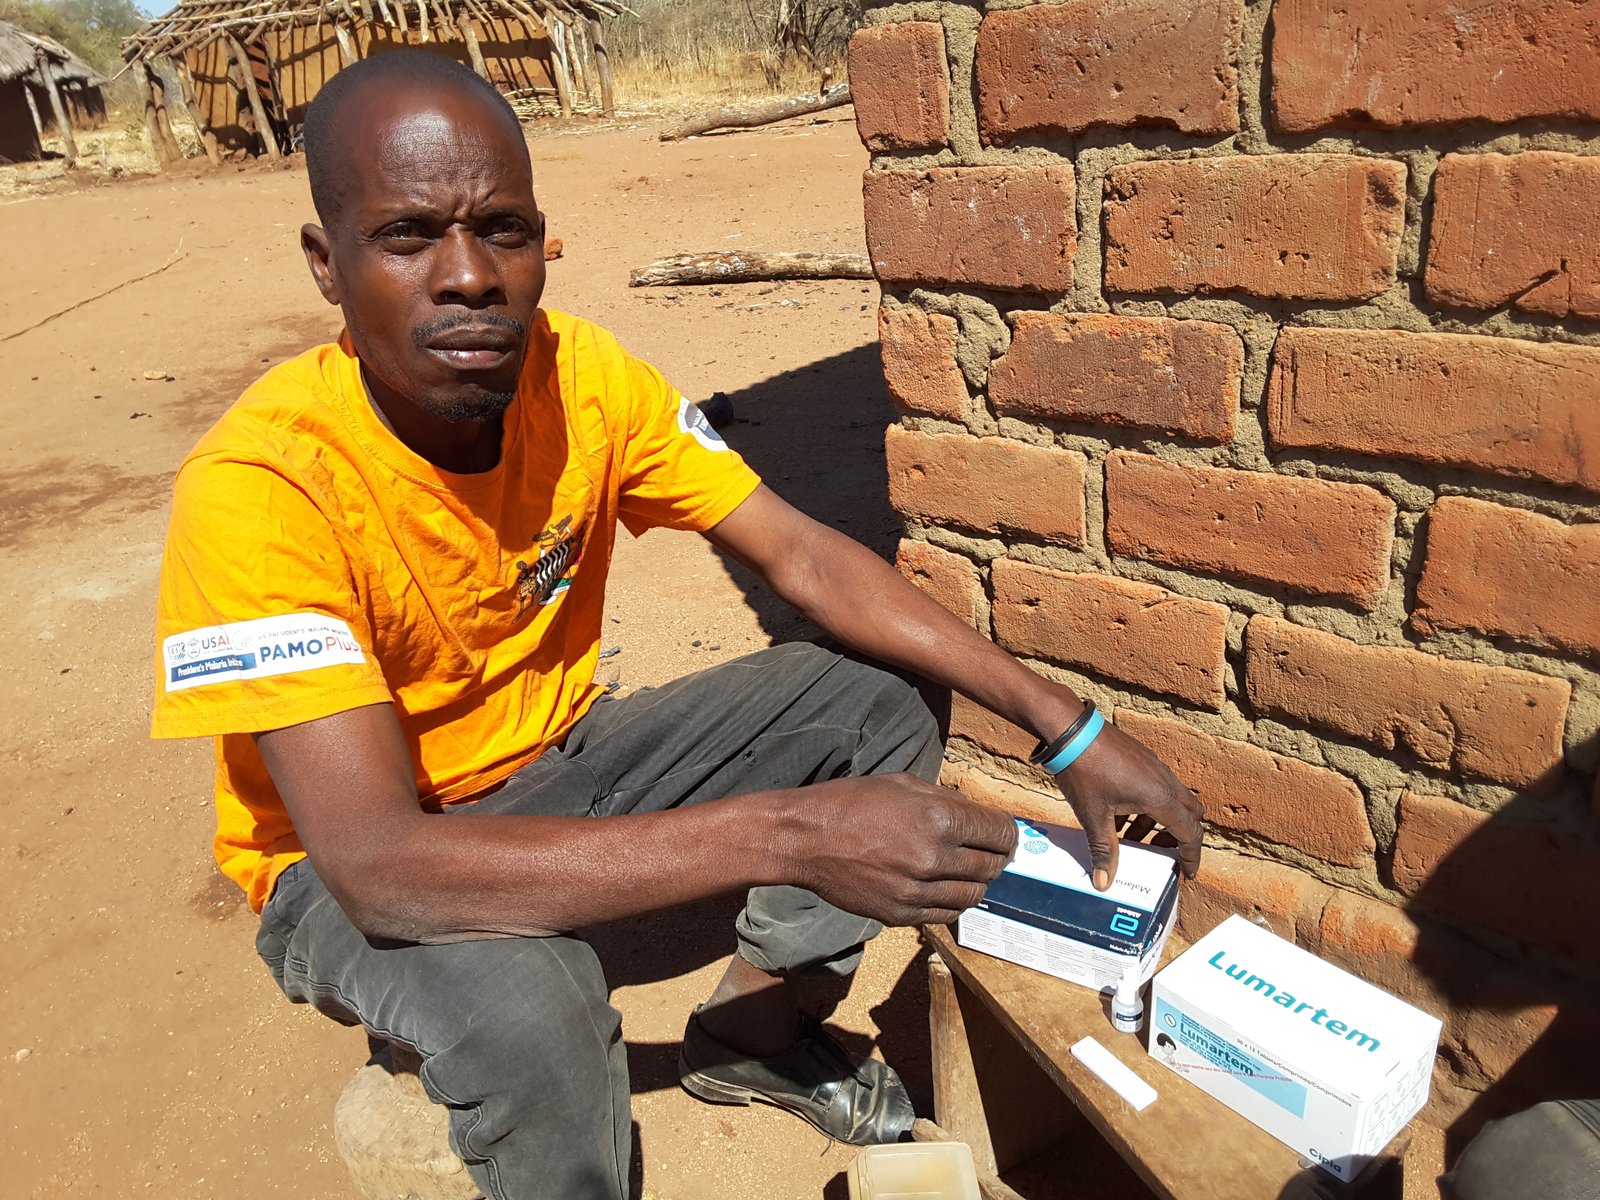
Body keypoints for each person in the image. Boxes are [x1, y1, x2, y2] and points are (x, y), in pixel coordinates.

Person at [150, 49, 1203, 1200]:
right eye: (409, 237)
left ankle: (752, 1035)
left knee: (873, 696)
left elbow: (799, 554)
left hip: (560, 763)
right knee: (527, 1003)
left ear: (542, 239)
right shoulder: (261, 487)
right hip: (344, 859)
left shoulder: (585, 382)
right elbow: (381, 868)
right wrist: (797, 835)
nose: (469, 277)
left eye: (502, 229)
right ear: (327, 262)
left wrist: (1074, 730)